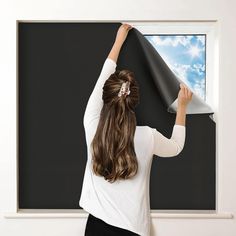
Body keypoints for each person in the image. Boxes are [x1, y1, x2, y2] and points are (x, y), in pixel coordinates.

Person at [79, 24, 193, 236]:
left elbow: (103, 78)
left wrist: (118, 41)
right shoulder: (147, 136)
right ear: (134, 101)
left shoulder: (92, 125)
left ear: (107, 97)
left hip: (96, 226)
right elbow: (176, 146)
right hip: (131, 229)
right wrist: (182, 107)